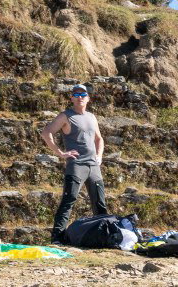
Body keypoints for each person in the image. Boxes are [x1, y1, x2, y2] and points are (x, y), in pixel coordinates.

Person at [41, 83, 107, 243]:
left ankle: (104, 236)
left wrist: (99, 156)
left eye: (82, 95)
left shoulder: (92, 117)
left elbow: (99, 139)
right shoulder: (66, 116)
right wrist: (60, 153)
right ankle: (57, 237)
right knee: (69, 199)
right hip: (77, 165)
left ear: (88, 98)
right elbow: (46, 133)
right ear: (71, 98)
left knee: (99, 202)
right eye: (76, 95)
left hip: (93, 165)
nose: (80, 98)